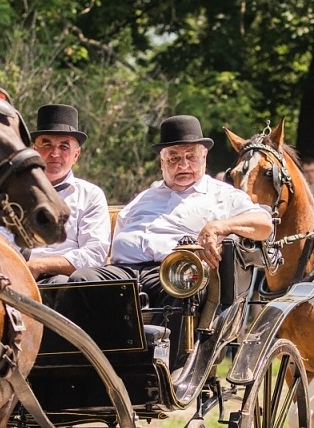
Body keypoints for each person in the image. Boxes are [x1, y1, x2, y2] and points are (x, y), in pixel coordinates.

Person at [73, 115, 270, 305]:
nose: (183, 165)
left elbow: (264, 224)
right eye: (174, 158)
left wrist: (218, 227)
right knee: (81, 280)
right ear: (162, 162)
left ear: (204, 157)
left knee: (181, 284)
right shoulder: (144, 197)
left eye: (191, 156)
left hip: (175, 273)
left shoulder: (222, 195)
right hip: (122, 272)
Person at [0, 104, 109, 282]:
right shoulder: (11, 193)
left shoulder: (90, 195)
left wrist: (40, 265)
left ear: (76, 155)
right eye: (47, 144)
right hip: (11, 275)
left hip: (63, 281)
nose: (55, 153)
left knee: (61, 282)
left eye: (64, 146)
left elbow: (95, 254)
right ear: (34, 150)